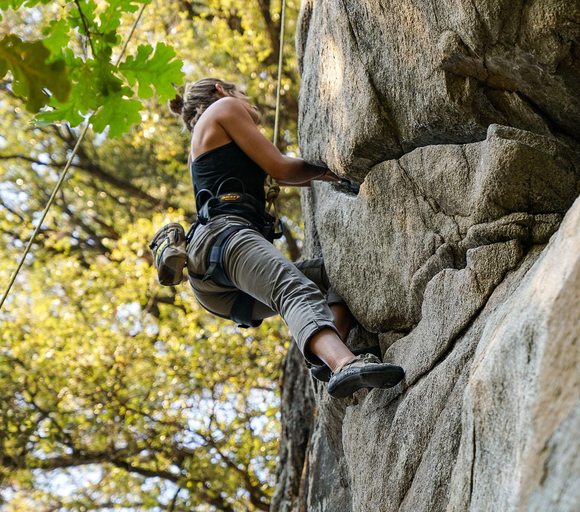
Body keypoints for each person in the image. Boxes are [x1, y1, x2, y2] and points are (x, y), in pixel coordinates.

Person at [168, 78, 404, 398]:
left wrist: (318, 176)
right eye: (241, 91)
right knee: (291, 288)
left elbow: (284, 175)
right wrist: (328, 170)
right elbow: (281, 169)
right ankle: (344, 365)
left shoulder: (205, 141)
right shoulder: (224, 107)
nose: (248, 100)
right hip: (223, 240)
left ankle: (327, 353)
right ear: (222, 90)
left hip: (217, 285)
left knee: (339, 271)